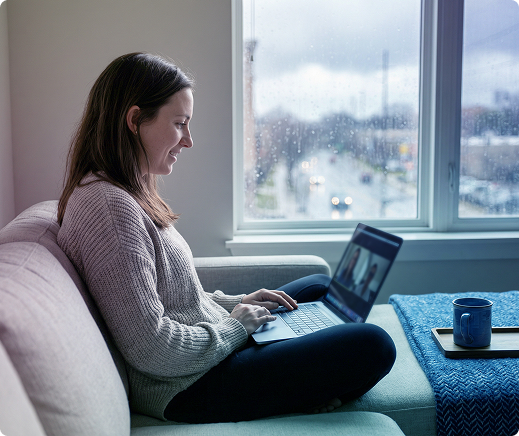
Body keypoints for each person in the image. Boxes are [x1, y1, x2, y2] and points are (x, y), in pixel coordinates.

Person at [57, 52, 396, 424]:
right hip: (188, 385)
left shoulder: (121, 191)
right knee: (374, 345)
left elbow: (173, 298)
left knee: (320, 286)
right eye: (180, 124)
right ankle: (306, 390)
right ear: (135, 120)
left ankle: (309, 380)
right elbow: (152, 349)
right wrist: (238, 325)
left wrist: (237, 302)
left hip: (205, 355)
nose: (188, 141)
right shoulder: (110, 208)